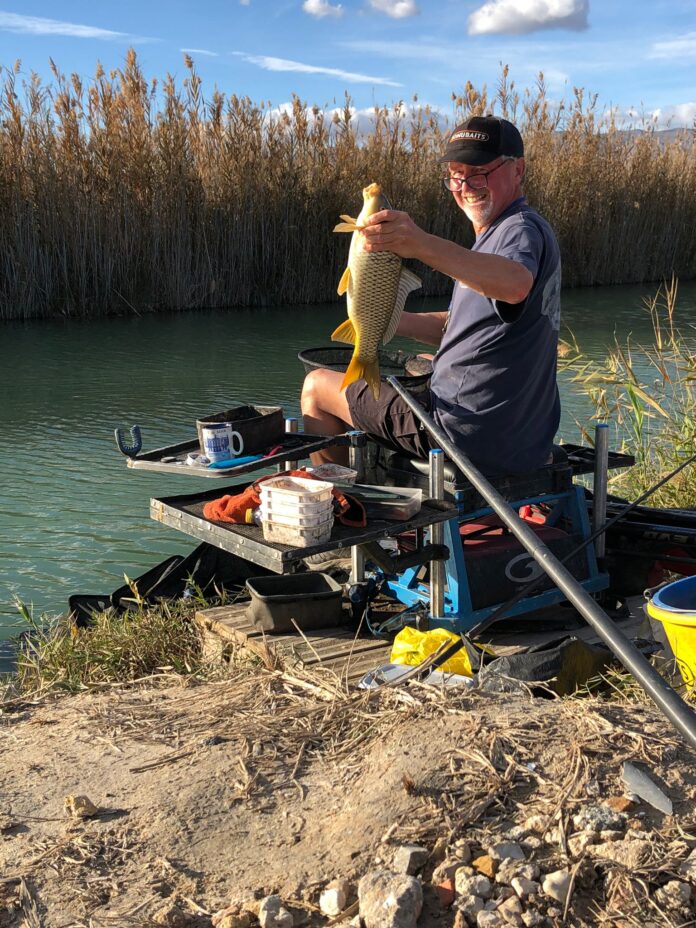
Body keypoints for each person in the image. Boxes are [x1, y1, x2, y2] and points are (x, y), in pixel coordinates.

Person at [301, 114, 562, 477]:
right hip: (524, 438)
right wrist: (386, 320)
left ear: (518, 170)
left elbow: (515, 284)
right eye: (456, 174)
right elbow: (468, 326)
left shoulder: (518, 230)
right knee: (424, 360)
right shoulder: (503, 238)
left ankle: (347, 508)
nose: (466, 185)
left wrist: (419, 244)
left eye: (480, 171)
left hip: (463, 432)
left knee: (316, 387)